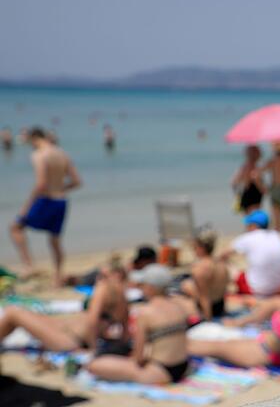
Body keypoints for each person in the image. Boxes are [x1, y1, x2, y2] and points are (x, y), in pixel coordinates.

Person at [87, 264, 191, 384]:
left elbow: (138, 358)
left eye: (143, 285)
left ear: (151, 288)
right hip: (183, 366)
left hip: (161, 372)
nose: (140, 288)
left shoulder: (145, 312)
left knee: (95, 365)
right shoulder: (179, 307)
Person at [0, 260, 129, 353]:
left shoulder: (104, 288)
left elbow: (92, 320)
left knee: (13, 313)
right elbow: (124, 331)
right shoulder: (123, 298)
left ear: (117, 275)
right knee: (26, 314)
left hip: (69, 340)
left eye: (103, 276)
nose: (99, 279)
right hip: (69, 333)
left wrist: (92, 349)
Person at [9, 127, 82, 283]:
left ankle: (29, 266)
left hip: (46, 199)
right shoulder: (62, 153)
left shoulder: (39, 155)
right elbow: (76, 182)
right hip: (61, 201)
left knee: (15, 228)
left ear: (33, 138)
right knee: (55, 241)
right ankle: (58, 276)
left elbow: (41, 184)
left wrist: (26, 206)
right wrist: (59, 188)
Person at [224, 210, 280, 297]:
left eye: (248, 224)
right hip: (279, 287)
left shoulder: (248, 237)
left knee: (227, 266)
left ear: (254, 225)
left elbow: (224, 254)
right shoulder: (276, 235)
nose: (246, 227)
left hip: (257, 290)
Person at [181, 229, 229, 320]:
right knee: (188, 284)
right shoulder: (222, 264)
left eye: (194, 247)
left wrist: (208, 320)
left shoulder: (200, 268)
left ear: (201, 248)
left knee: (185, 288)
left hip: (209, 309)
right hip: (220, 306)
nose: (193, 250)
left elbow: (204, 297)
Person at [232, 145, 266, 214]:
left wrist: (237, 194)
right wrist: (264, 190)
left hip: (247, 193)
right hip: (253, 194)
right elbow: (255, 179)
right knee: (254, 218)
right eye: (259, 152)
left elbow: (234, 182)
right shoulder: (252, 166)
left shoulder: (244, 166)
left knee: (249, 219)